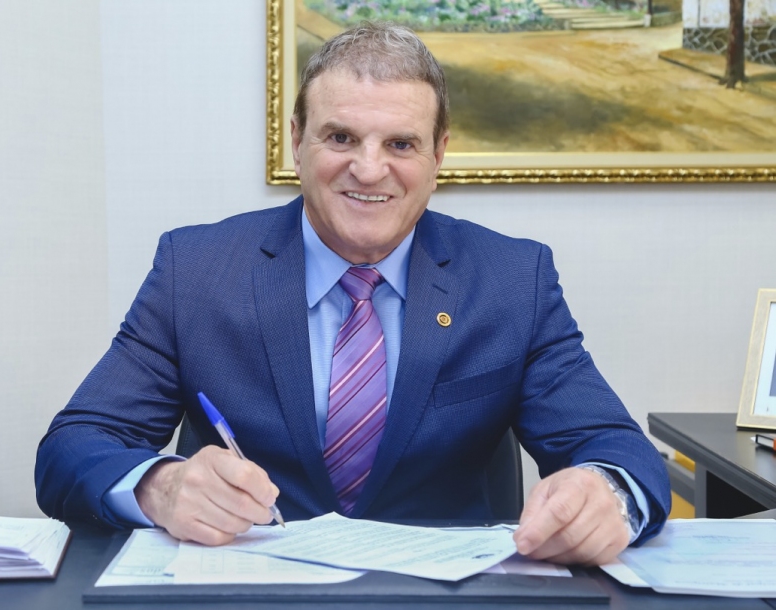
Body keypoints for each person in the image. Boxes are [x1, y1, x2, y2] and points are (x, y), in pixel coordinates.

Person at [35, 21, 670, 566]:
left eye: (401, 144)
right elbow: (73, 447)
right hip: (250, 590)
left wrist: (608, 496)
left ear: (439, 154)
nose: (368, 169)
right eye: (340, 138)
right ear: (297, 141)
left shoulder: (512, 279)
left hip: (448, 599)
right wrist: (159, 487)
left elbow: (616, 449)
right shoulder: (197, 270)